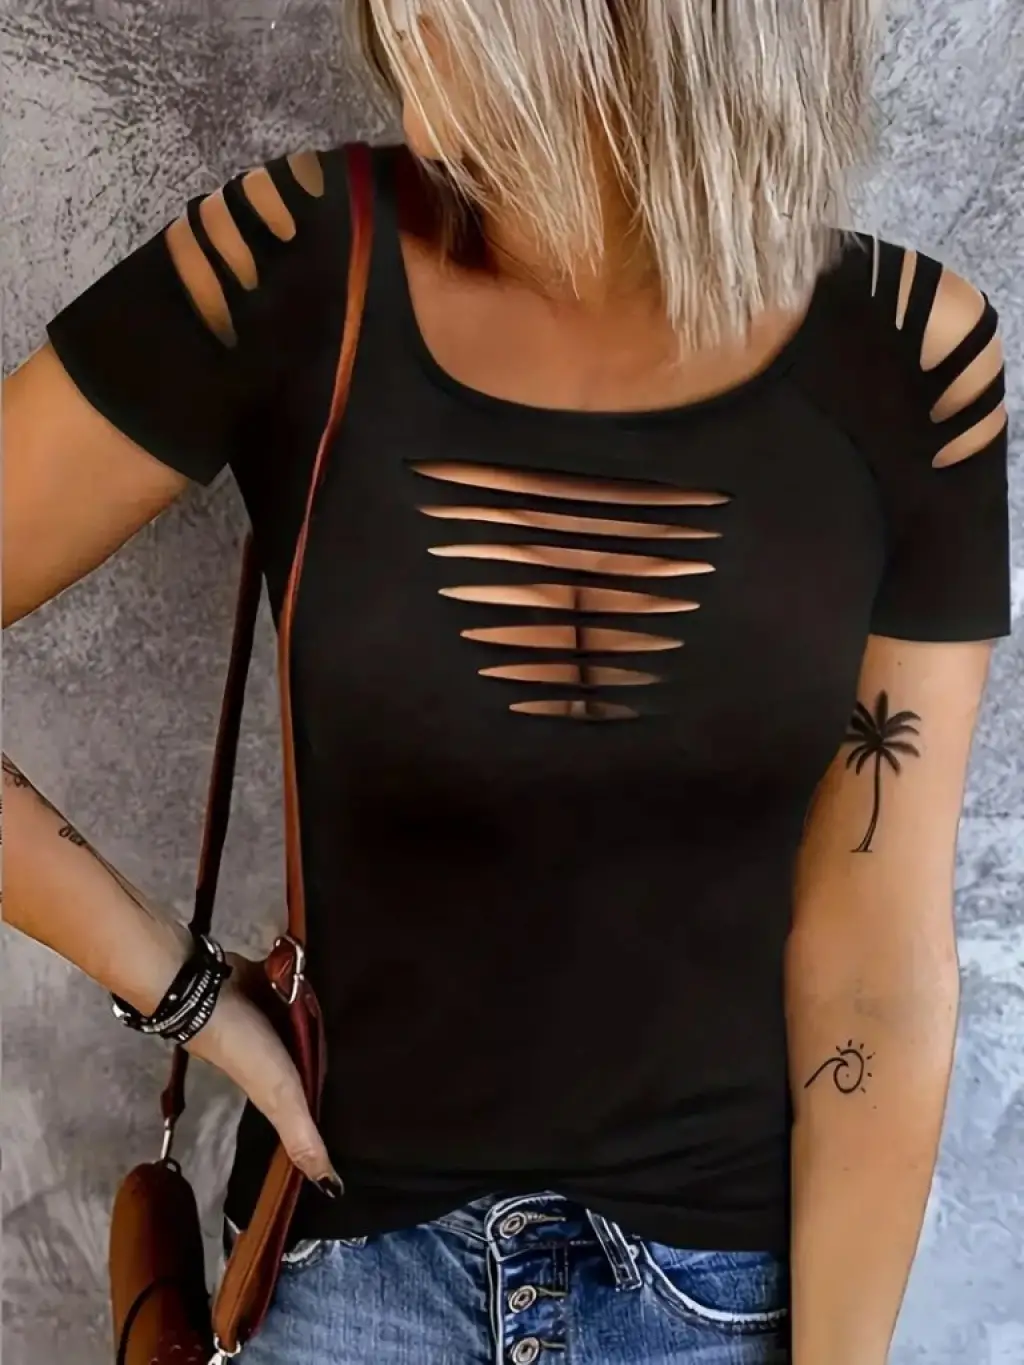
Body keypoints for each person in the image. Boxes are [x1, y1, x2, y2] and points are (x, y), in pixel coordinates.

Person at [2, 2, 1012, 1362]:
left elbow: (876, 964)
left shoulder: (910, 357)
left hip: (722, 1305)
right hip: (349, 1283)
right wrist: (180, 990)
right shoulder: (293, 260)